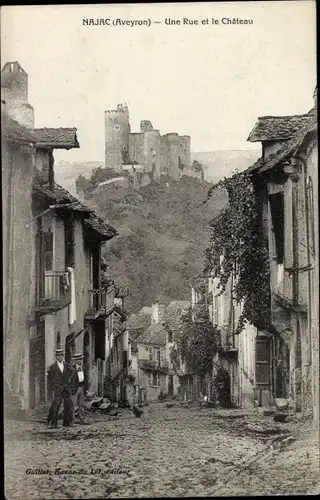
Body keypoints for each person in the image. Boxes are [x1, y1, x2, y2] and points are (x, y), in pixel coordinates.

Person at [46, 348, 75, 428]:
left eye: (61, 355)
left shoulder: (67, 365)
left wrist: (69, 380)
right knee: (56, 406)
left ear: (63, 356)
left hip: (66, 389)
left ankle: (67, 423)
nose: (59, 357)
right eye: (58, 356)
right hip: (58, 389)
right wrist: (53, 387)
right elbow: (49, 379)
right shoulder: (53, 367)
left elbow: (74, 371)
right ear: (56, 357)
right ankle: (53, 424)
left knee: (68, 405)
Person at [70, 353, 88, 425]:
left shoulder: (83, 368)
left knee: (81, 405)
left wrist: (85, 388)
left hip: (82, 387)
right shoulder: (72, 368)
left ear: (82, 360)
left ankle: (82, 420)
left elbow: (85, 378)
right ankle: (72, 420)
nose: (79, 361)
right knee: (73, 405)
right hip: (75, 388)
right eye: (77, 360)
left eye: (80, 359)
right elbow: (70, 379)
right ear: (74, 361)